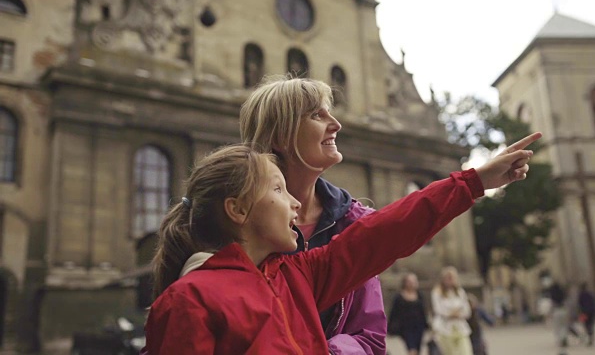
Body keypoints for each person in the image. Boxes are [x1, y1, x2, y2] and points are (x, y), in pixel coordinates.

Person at [143, 131, 539, 354]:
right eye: (279, 190)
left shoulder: (299, 273)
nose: (295, 201)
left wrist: (475, 182)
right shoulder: (189, 300)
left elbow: (386, 232)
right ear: (238, 210)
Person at [238, 75, 386, 354]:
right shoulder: (236, 221)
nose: (337, 124)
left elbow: (370, 337)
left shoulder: (354, 222)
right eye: (317, 115)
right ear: (282, 137)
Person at [431, 266, 473, 355]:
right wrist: (451, 313)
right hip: (445, 329)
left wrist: (457, 314)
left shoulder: (460, 292)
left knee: (466, 351)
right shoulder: (437, 292)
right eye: (448, 278)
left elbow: (466, 310)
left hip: (460, 326)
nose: (451, 280)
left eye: (452, 278)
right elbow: (438, 309)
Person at [388, 273, 429, 355]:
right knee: (411, 349)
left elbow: (423, 312)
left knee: (417, 349)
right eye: (409, 281)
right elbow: (393, 312)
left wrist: (426, 325)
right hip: (405, 327)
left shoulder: (420, 295)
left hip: (418, 327)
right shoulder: (399, 297)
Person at [548, 281, 569, 355]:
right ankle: (564, 338)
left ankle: (560, 341)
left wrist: (549, 314)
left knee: (557, 328)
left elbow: (551, 305)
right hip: (563, 310)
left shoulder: (553, 296)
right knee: (564, 326)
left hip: (556, 311)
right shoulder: (562, 294)